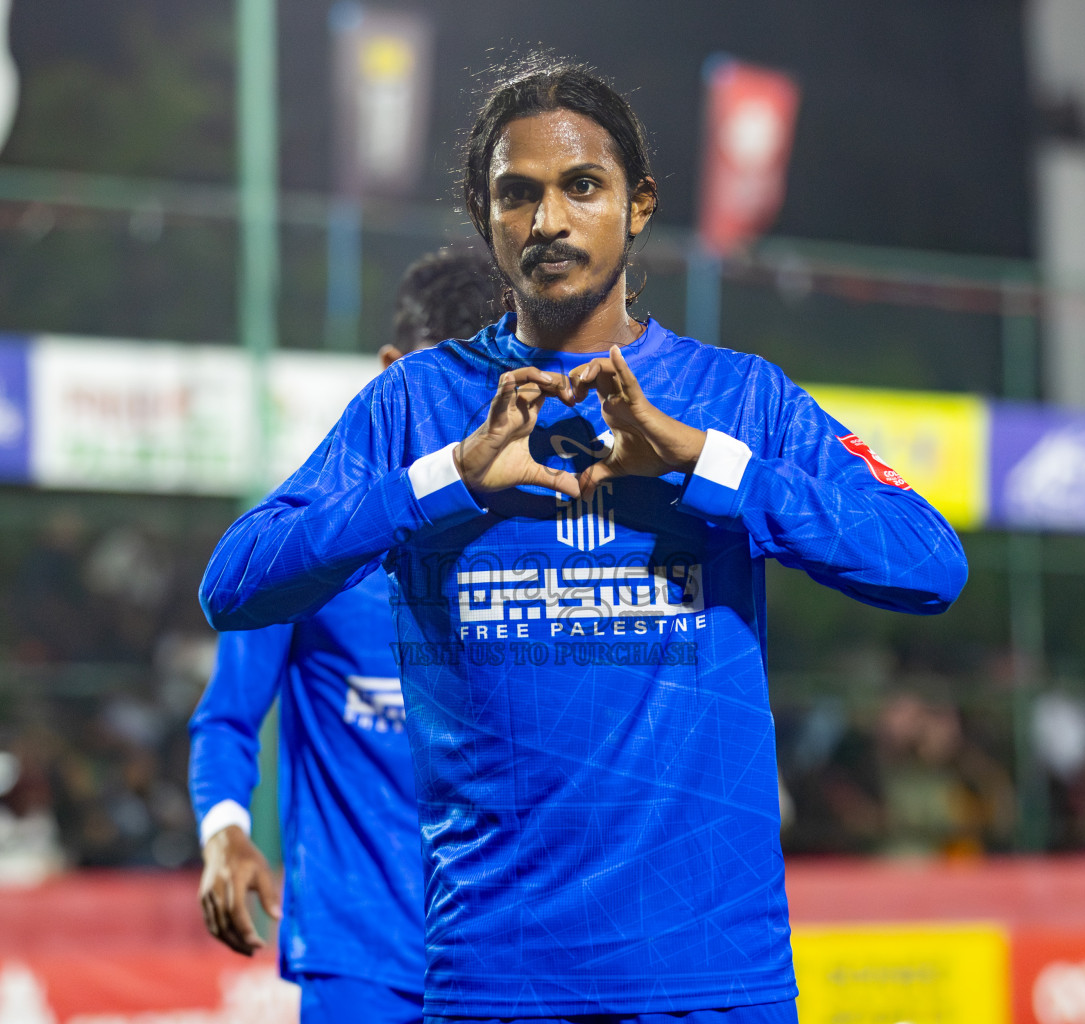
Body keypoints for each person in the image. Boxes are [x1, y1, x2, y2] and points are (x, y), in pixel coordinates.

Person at [199, 56, 967, 1023]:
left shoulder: (742, 399)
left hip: (712, 978)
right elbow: (233, 583)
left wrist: (704, 464)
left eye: (582, 187)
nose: (549, 221)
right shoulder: (414, 406)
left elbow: (929, 561)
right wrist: (450, 480)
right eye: (516, 195)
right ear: (486, 220)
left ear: (639, 205)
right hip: (494, 983)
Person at [189, 249, 501, 1024]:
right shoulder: (309, 545)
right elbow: (227, 715)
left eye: (483, 393)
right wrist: (224, 829)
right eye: (439, 384)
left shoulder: (530, 541)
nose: (459, 415)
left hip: (506, 953)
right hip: (359, 956)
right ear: (390, 369)